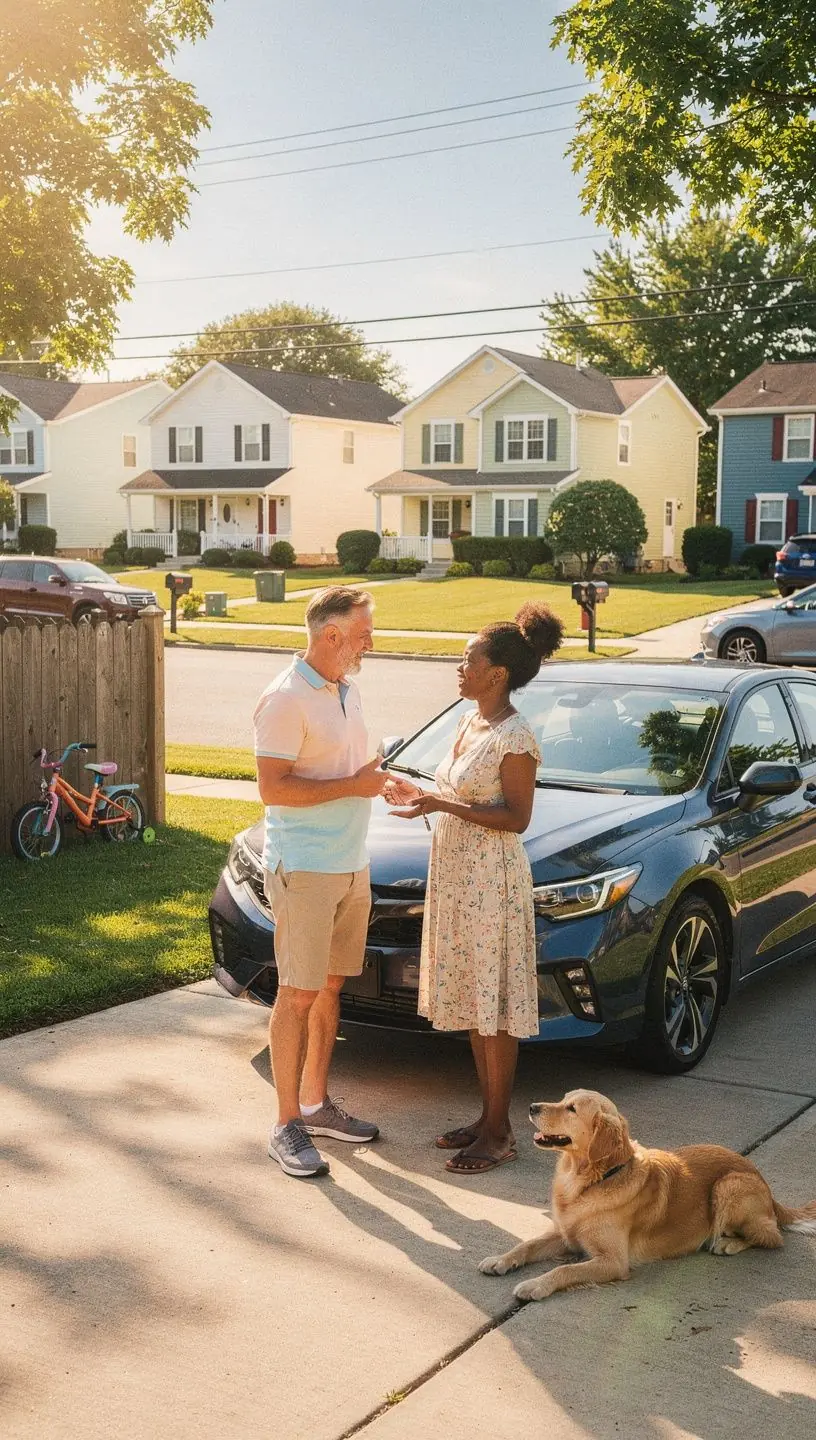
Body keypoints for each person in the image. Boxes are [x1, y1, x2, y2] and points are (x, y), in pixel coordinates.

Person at [387, 603, 564, 1174]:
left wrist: (441, 805)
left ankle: (501, 1132)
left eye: (468, 661)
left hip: (491, 881)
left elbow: (516, 817)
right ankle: (487, 1119)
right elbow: (458, 794)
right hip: (457, 876)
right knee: (473, 1000)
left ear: (498, 674)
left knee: (496, 1008)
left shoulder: (517, 735)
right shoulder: (469, 723)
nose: (458, 668)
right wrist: (419, 798)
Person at [254, 587, 386, 1178]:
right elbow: (274, 788)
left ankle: (314, 1104)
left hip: (351, 863)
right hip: (305, 867)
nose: (370, 642)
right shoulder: (285, 699)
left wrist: (381, 782)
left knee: (330, 987)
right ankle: (286, 1124)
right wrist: (354, 787)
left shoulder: (347, 690)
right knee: (297, 993)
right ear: (332, 635)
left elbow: (349, 770)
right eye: (363, 633)